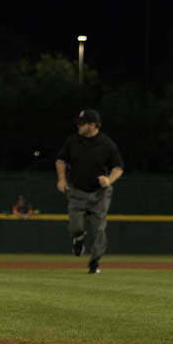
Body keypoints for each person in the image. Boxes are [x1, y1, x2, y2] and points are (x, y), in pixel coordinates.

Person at [55, 109, 124, 274]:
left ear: (93, 125)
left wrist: (109, 180)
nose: (78, 125)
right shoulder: (73, 141)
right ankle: (78, 238)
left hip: (100, 193)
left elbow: (118, 167)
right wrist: (62, 179)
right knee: (75, 227)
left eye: (82, 123)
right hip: (77, 191)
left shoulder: (107, 144)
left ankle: (94, 263)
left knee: (99, 229)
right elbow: (61, 160)